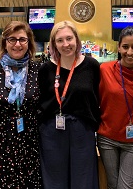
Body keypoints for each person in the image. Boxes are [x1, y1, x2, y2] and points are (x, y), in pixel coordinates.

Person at [38, 20, 101, 189]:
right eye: (60, 40)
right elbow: (41, 101)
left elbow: (96, 98)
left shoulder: (91, 65)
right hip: (52, 131)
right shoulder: (45, 69)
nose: (66, 44)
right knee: (54, 180)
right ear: (54, 44)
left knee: (83, 178)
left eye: (69, 38)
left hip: (82, 130)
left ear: (77, 40)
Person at [0, 21, 42, 188]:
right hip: (2, 144)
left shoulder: (38, 70)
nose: (17, 44)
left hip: (31, 144)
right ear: (5, 43)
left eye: (22, 39)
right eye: (12, 39)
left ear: (29, 43)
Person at [97, 26, 133, 189]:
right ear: (119, 47)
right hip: (107, 138)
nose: (130, 52)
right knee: (112, 184)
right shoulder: (104, 70)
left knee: (125, 187)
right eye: (126, 47)